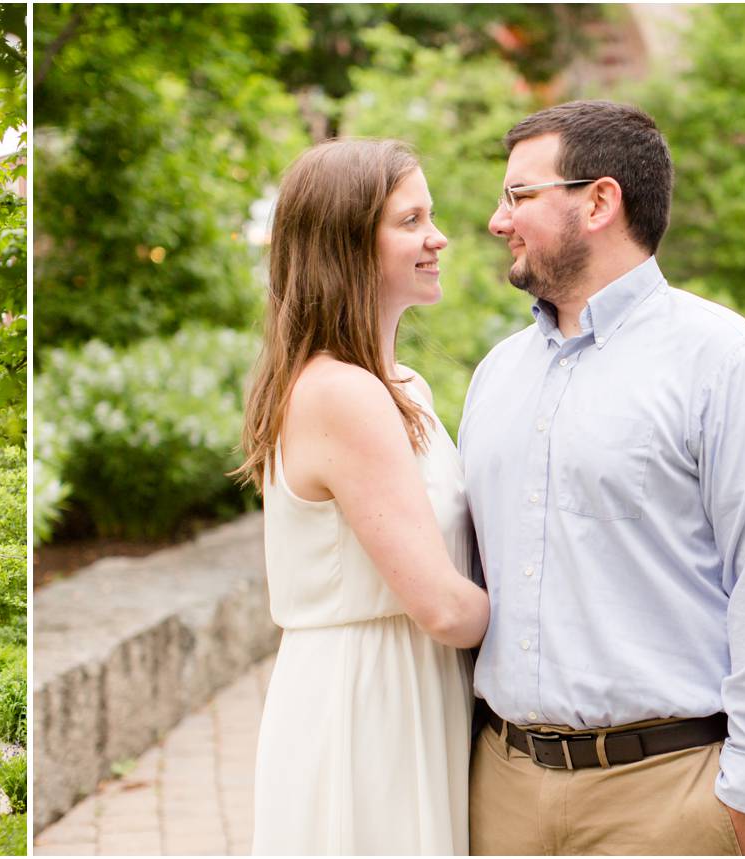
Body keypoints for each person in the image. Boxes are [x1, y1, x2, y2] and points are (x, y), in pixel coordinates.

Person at [458, 100, 745, 855]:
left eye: (519, 196)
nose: (499, 220)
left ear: (598, 200)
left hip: (665, 798)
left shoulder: (722, 361)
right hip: (497, 788)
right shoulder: (495, 376)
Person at [235, 137, 489, 854]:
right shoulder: (340, 394)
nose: (437, 236)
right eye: (410, 221)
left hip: (415, 690)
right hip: (366, 702)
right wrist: (548, 620)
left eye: (430, 216)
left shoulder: (403, 386)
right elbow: (441, 604)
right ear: (346, 244)